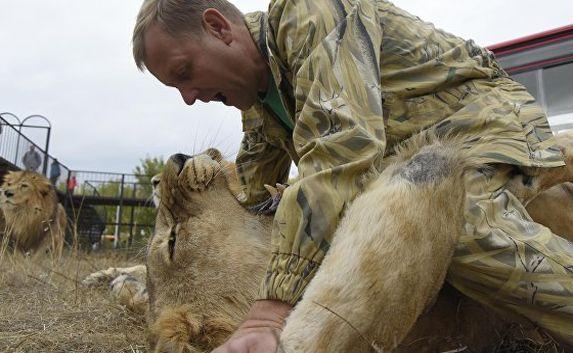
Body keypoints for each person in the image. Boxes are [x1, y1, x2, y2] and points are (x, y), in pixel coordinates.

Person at [132, 0, 573, 351]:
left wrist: (269, 310)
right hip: (409, 157)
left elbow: (341, 148)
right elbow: (249, 189)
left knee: (458, 226)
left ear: (219, 27)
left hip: (478, 122)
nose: (189, 99)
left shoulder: (309, 10)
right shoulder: (259, 103)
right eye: (178, 90)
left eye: (185, 73)